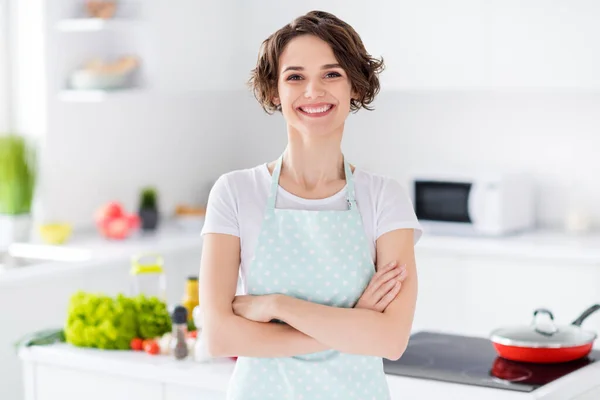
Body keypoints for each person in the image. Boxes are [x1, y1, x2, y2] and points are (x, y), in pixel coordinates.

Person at [199, 10, 423, 400]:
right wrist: (354, 326)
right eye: (295, 76)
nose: (313, 91)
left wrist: (277, 306)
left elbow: (390, 340)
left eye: (331, 74)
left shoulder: (384, 199)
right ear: (274, 91)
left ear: (355, 85)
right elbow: (219, 336)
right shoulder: (235, 192)